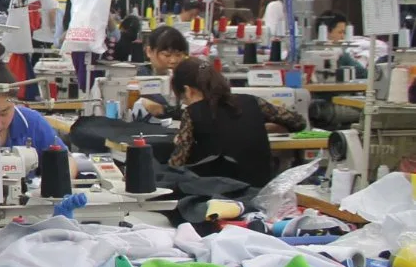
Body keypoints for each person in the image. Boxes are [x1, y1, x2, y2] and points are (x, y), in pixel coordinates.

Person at [168, 57, 304, 187]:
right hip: (259, 190)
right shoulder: (253, 102)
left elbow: (176, 165)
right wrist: (264, 127)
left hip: (219, 195)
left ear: (188, 90)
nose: (185, 103)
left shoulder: (192, 112)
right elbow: (298, 122)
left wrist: (181, 141)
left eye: (183, 99)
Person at [134, 26, 192, 118]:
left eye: (178, 55)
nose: (173, 60)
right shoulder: (137, 79)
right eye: (167, 55)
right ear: (149, 51)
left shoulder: (187, 79)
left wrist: (163, 110)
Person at [317, 11, 367, 77]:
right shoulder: (342, 56)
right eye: (340, 32)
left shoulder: (342, 54)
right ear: (327, 32)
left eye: (344, 33)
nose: (343, 37)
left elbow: (363, 72)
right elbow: (364, 73)